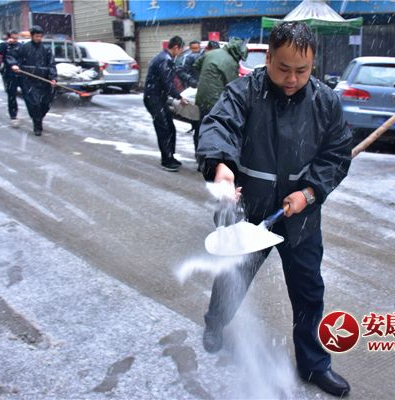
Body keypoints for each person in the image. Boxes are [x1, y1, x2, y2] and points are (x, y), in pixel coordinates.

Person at [196, 22, 353, 397]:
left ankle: (314, 364)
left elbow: (336, 153)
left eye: (302, 70)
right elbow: (219, 126)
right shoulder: (243, 93)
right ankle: (215, 323)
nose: (292, 79)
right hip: (250, 211)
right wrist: (221, 166)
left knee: (308, 290)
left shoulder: (325, 102)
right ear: (267, 58)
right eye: (283, 68)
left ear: (313, 64)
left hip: (300, 217)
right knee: (233, 277)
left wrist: (310, 192)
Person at [193, 37, 247, 155]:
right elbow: (234, 86)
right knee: (213, 129)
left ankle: (199, 152)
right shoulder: (231, 62)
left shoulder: (211, 53)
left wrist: (206, 77)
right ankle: (208, 156)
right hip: (216, 101)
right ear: (237, 53)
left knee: (201, 125)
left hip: (202, 97)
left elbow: (196, 65)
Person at [143, 36, 188, 172]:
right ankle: (166, 160)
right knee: (164, 128)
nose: (181, 53)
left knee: (170, 127)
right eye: (181, 50)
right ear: (176, 47)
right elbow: (167, 82)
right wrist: (179, 97)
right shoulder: (164, 59)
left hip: (158, 97)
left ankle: (170, 156)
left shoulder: (165, 58)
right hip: (153, 98)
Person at [10, 25, 57, 136]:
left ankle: (38, 118)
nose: (39, 38)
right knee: (34, 104)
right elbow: (13, 57)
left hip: (44, 80)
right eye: (36, 36)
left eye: (40, 36)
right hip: (29, 80)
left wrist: (53, 77)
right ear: (32, 36)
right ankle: (37, 126)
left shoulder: (46, 49)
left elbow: (51, 64)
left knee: (45, 103)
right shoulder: (24, 48)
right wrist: (14, 65)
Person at [0, 30, 23, 125]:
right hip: (9, 74)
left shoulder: (20, 46)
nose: (15, 40)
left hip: (21, 73)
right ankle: (13, 115)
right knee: (12, 95)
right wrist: (6, 44)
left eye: (16, 38)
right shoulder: (4, 46)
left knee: (27, 94)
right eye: (13, 38)